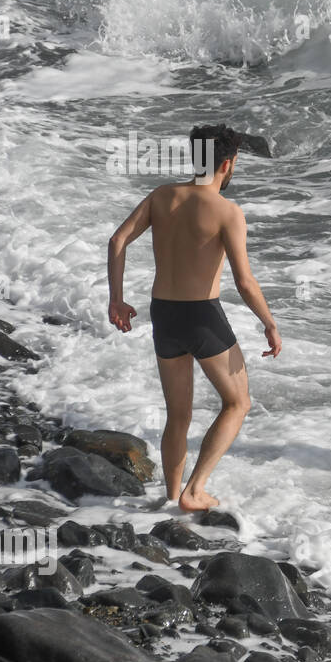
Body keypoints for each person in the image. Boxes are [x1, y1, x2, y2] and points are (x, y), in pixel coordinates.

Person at [106, 124, 281, 511]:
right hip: (202, 315)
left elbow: (117, 241)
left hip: (164, 314)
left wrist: (116, 300)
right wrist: (269, 323)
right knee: (238, 403)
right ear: (228, 164)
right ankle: (195, 490)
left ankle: (171, 498)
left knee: (178, 415)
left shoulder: (162, 196)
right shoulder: (227, 211)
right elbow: (245, 281)